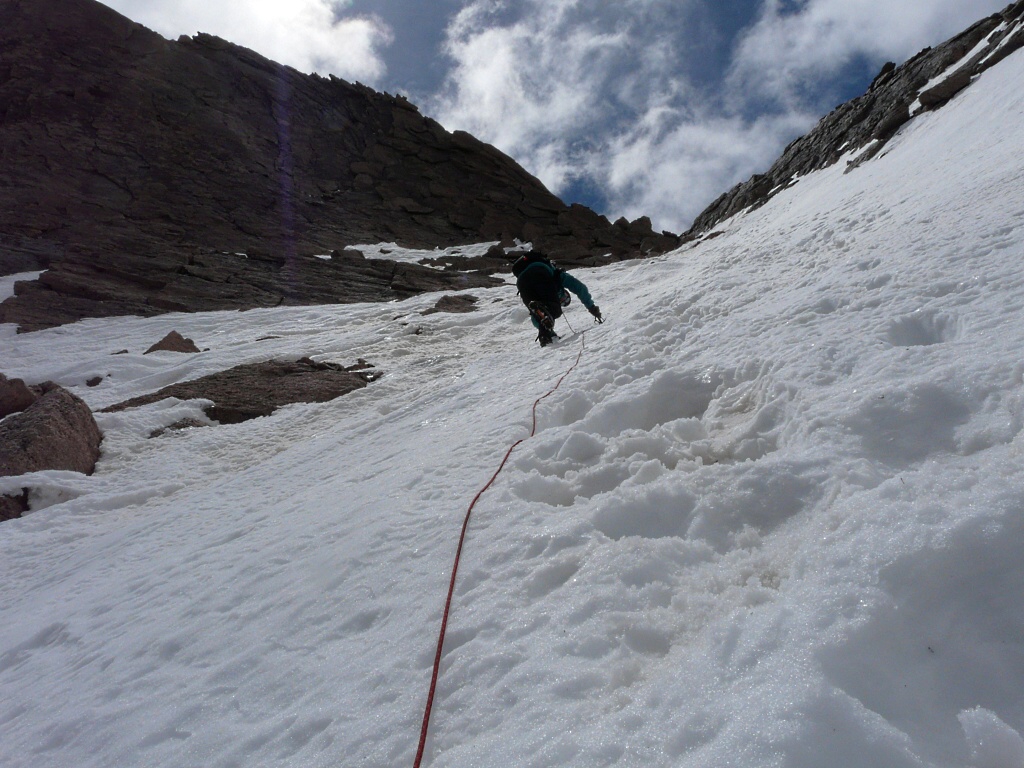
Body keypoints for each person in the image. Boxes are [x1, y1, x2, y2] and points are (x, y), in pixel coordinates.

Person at [512, 251, 603, 346]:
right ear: (565, 293)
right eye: (564, 299)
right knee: (555, 310)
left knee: (537, 313)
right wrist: (591, 307)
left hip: (522, 283)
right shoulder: (558, 277)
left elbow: (537, 318)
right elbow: (579, 287)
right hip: (540, 272)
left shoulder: (553, 279)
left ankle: (547, 336)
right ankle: (546, 334)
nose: (561, 300)